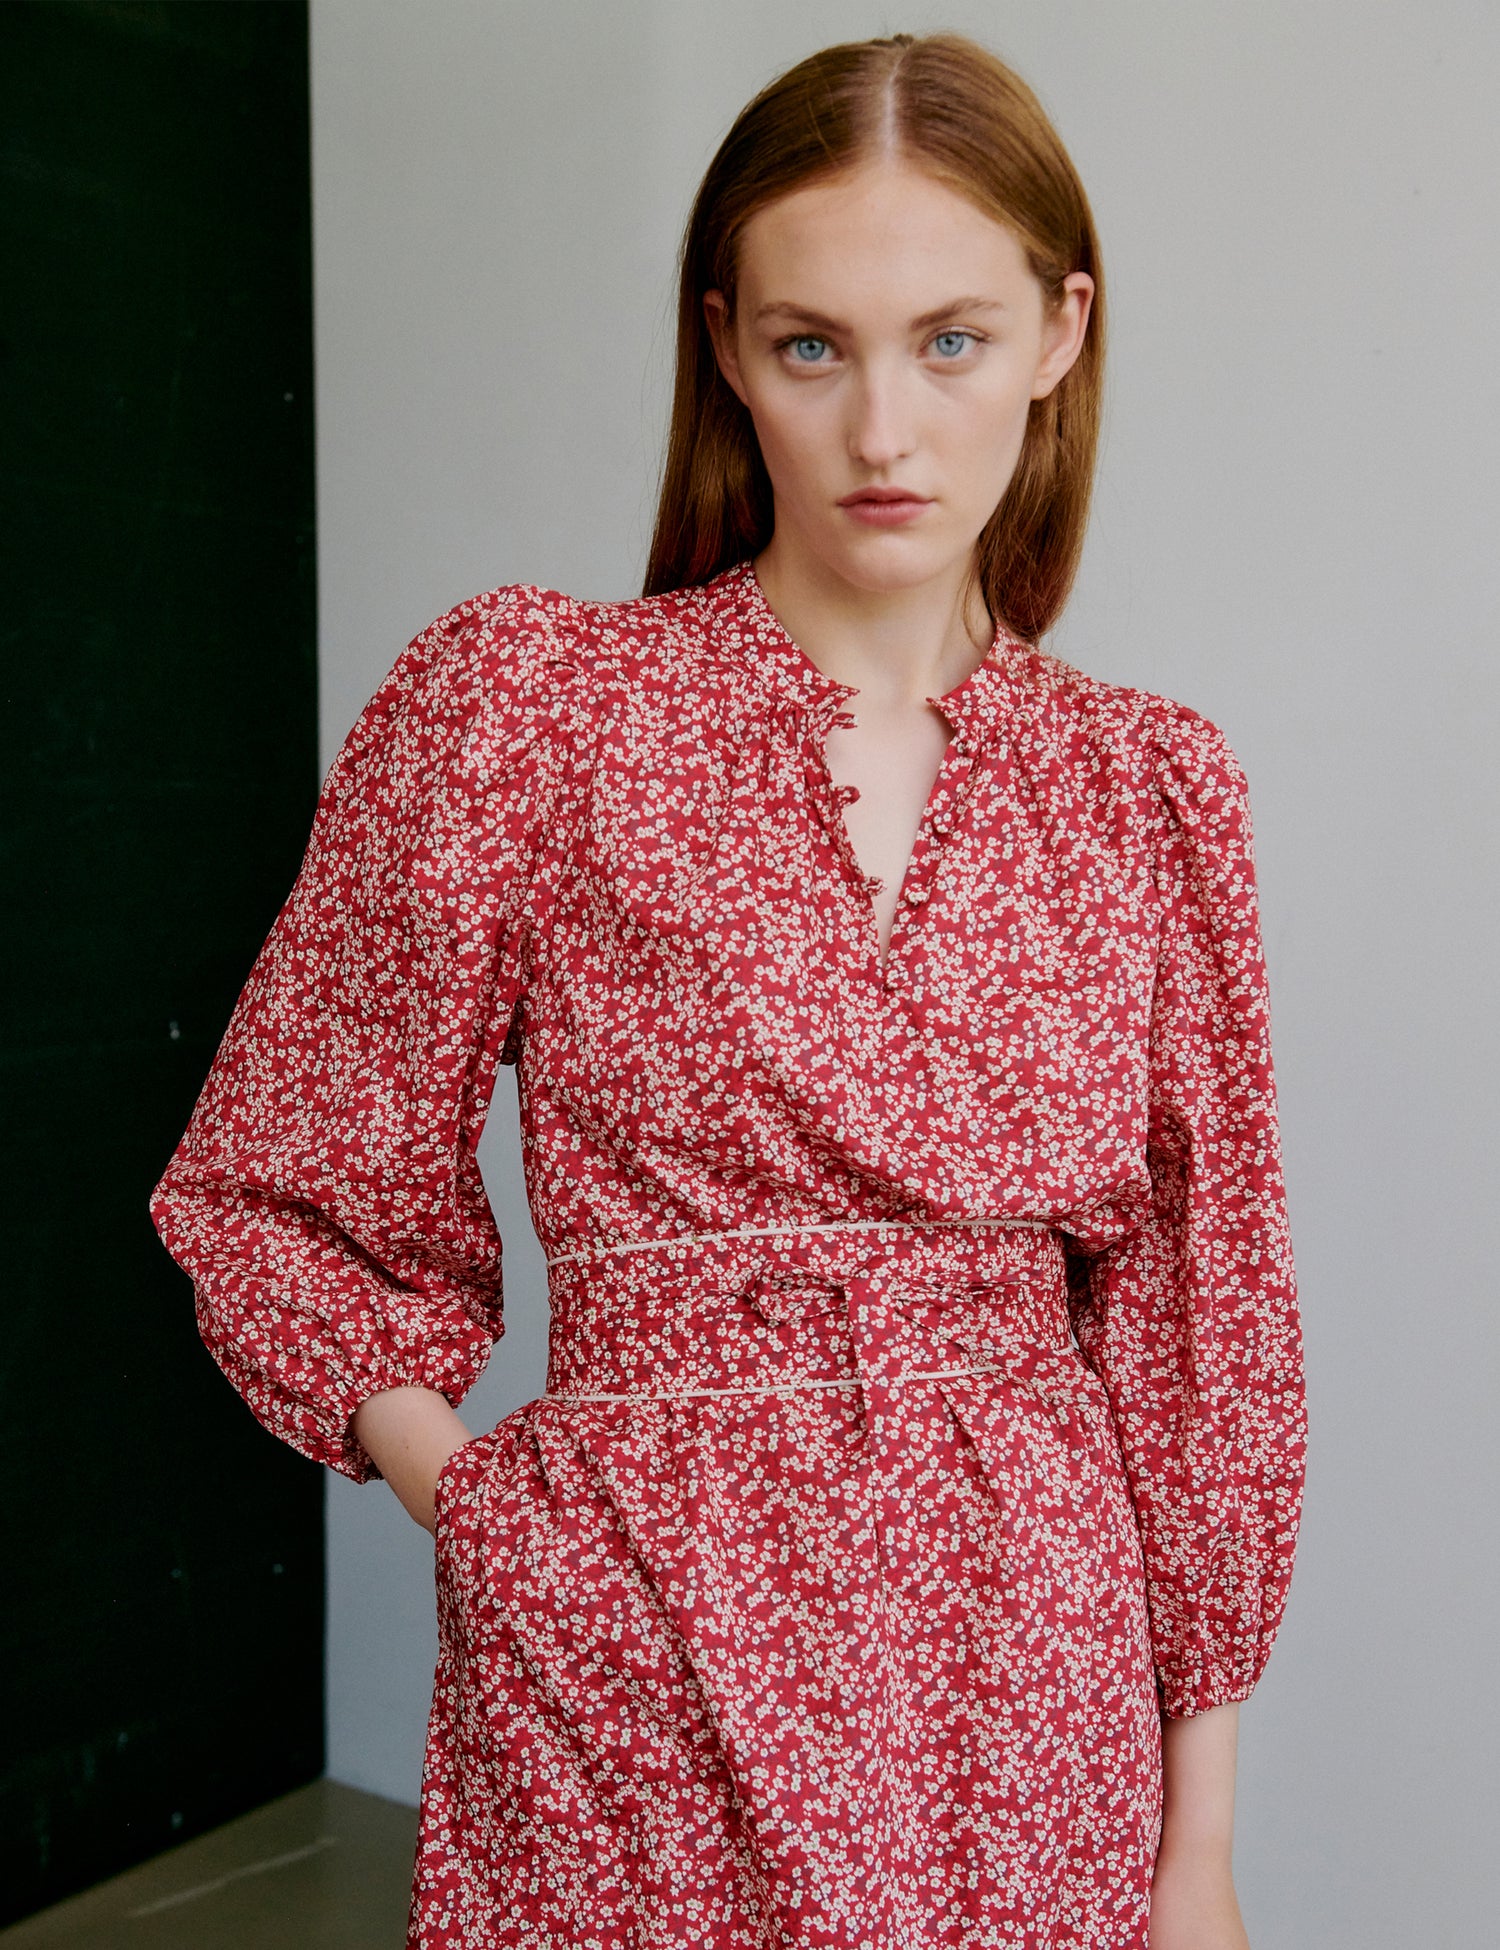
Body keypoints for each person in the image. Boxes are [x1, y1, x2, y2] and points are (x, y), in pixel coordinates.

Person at [149, 30, 1307, 1950]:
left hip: (1034, 1707)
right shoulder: (530, 713)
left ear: (1058, 333)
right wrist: (496, 1511)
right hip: (631, 1679)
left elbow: (1205, 1334)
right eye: (809, 345)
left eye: (949, 338)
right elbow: (276, 1181)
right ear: (724, 344)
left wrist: (1199, 1848)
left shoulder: (1150, 791)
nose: (882, 432)